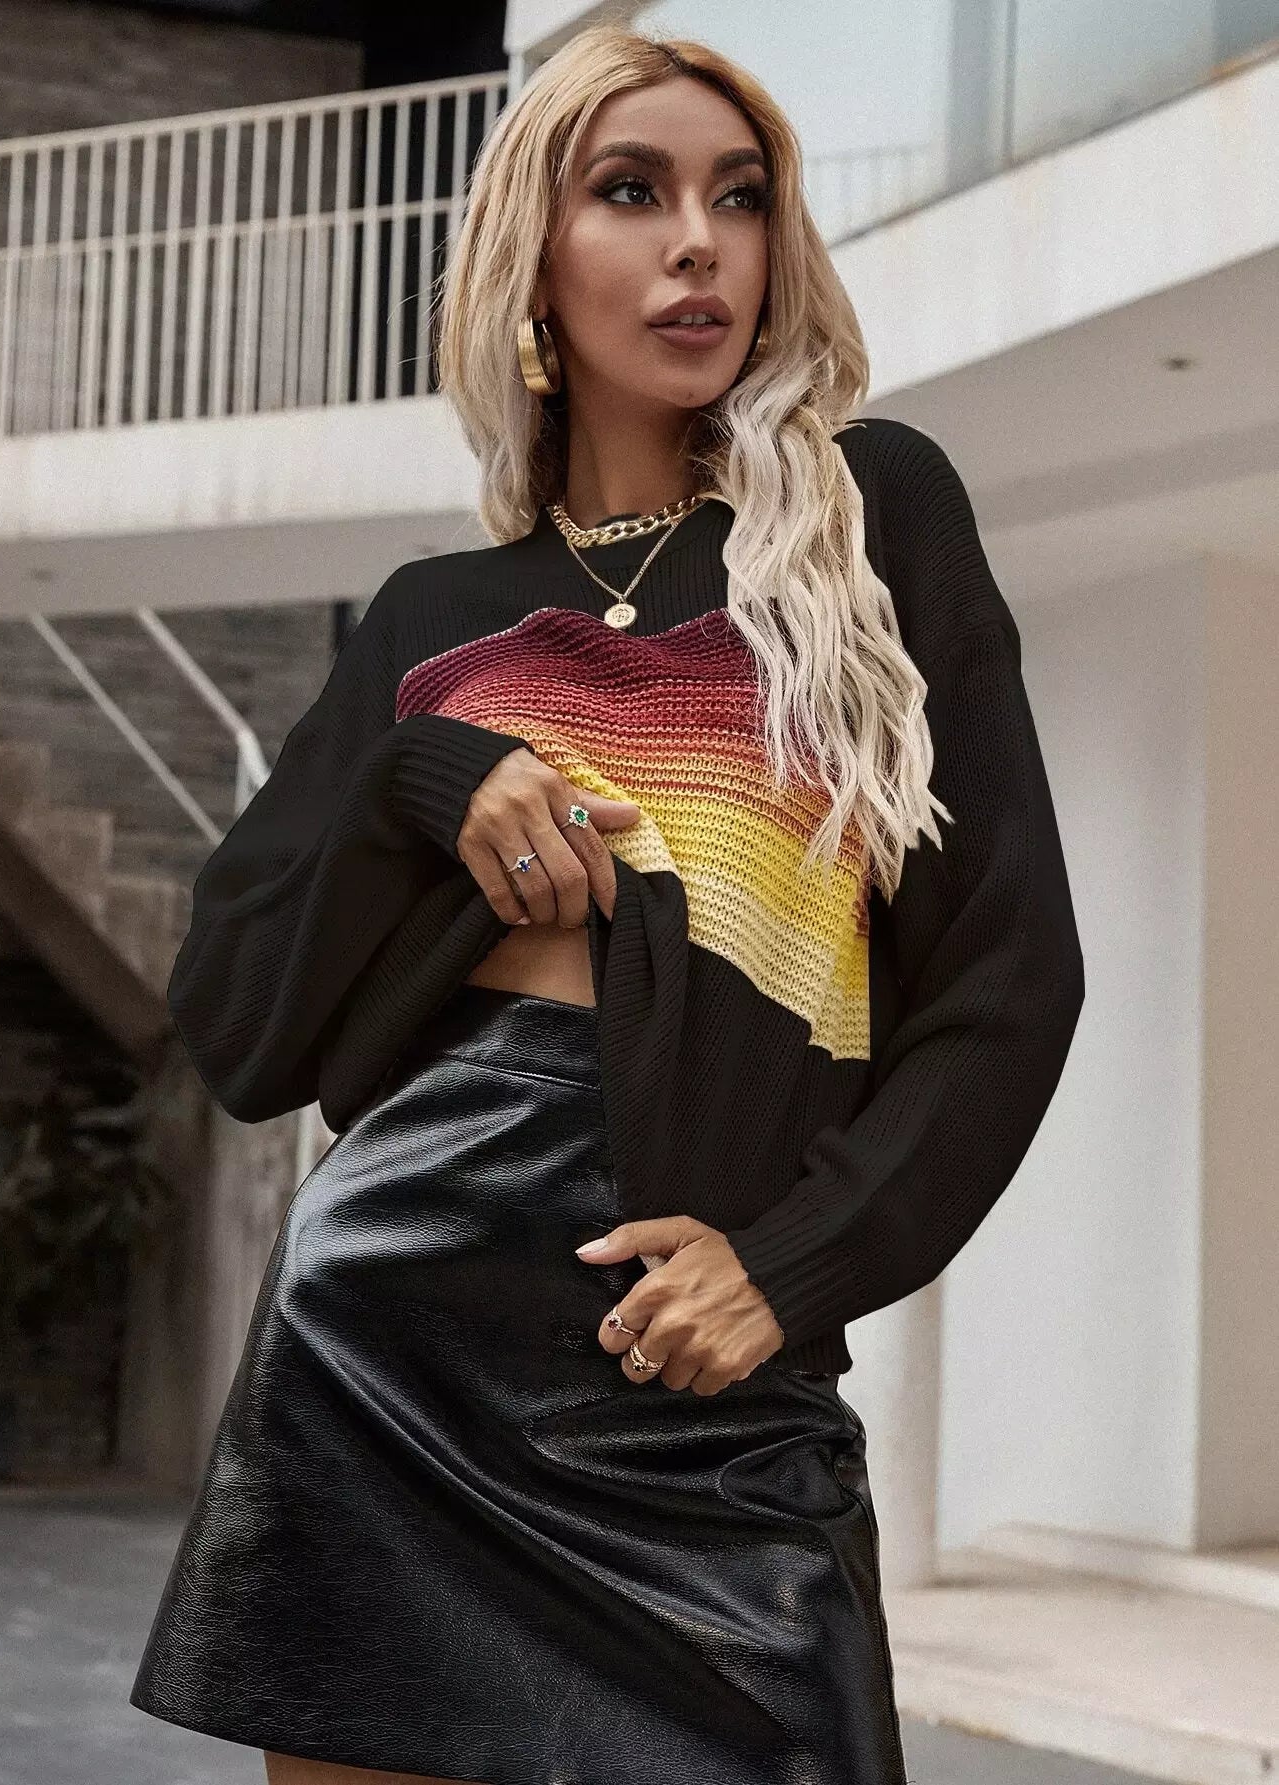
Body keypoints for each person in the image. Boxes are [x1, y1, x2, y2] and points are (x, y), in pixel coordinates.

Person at [129, 22, 1084, 1785]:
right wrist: (425, 779)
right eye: (632, 193)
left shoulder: (870, 525)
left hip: (703, 1365)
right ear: (534, 260)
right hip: (390, 1333)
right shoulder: (433, 617)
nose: (698, 241)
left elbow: (1009, 981)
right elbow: (235, 1016)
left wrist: (791, 1267)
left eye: (741, 197)